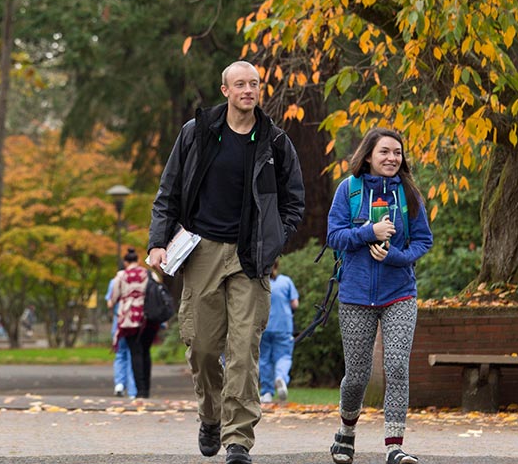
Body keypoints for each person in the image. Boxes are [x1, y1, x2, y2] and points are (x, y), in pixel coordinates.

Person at [148, 60, 305, 464]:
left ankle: (238, 440)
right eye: (240, 84)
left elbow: (294, 201)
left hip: (250, 255)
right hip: (201, 251)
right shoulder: (197, 133)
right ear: (225, 90)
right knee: (201, 348)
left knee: (242, 351)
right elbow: (168, 192)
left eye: (253, 83)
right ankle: (211, 415)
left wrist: (275, 240)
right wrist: (157, 242)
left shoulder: (274, 141)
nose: (248, 90)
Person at [325, 127, 433, 464]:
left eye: (397, 153)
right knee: (356, 374)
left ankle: (394, 446)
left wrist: (396, 257)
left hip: (399, 293)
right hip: (356, 294)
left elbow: (423, 241)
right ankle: (346, 432)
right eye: (385, 151)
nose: (391, 158)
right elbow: (334, 236)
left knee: (397, 366)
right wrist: (368, 232)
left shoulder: (409, 194)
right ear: (368, 155)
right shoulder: (349, 190)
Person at [108, 248, 162, 399]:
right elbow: (159, 290)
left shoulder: (121, 276)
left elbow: (113, 299)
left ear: (125, 262)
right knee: (146, 352)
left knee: (135, 352)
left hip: (129, 319)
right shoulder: (149, 274)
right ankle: (147, 390)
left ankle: (139, 390)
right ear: (138, 261)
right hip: (148, 318)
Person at [259, 257, 298, 404]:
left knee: (264, 359)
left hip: (264, 326)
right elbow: (295, 304)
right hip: (283, 326)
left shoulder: (261, 282)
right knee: (284, 356)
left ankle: (267, 392)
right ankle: (280, 377)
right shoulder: (286, 282)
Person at [105, 268, 137, 398]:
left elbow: (110, 303)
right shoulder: (139, 281)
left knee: (120, 354)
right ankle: (132, 390)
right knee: (132, 354)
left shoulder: (115, 281)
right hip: (134, 322)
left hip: (119, 323)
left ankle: (119, 384)